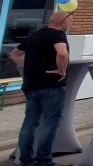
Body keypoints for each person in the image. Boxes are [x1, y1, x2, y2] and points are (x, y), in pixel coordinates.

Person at [8, 11, 71, 166]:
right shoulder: (58, 35)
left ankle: (26, 160)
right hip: (51, 85)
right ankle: (44, 160)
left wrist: (29, 66)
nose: (71, 24)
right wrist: (62, 70)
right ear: (63, 22)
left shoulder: (35, 35)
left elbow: (14, 54)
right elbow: (62, 54)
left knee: (30, 122)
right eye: (70, 21)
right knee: (50, 122)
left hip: (31, 85)